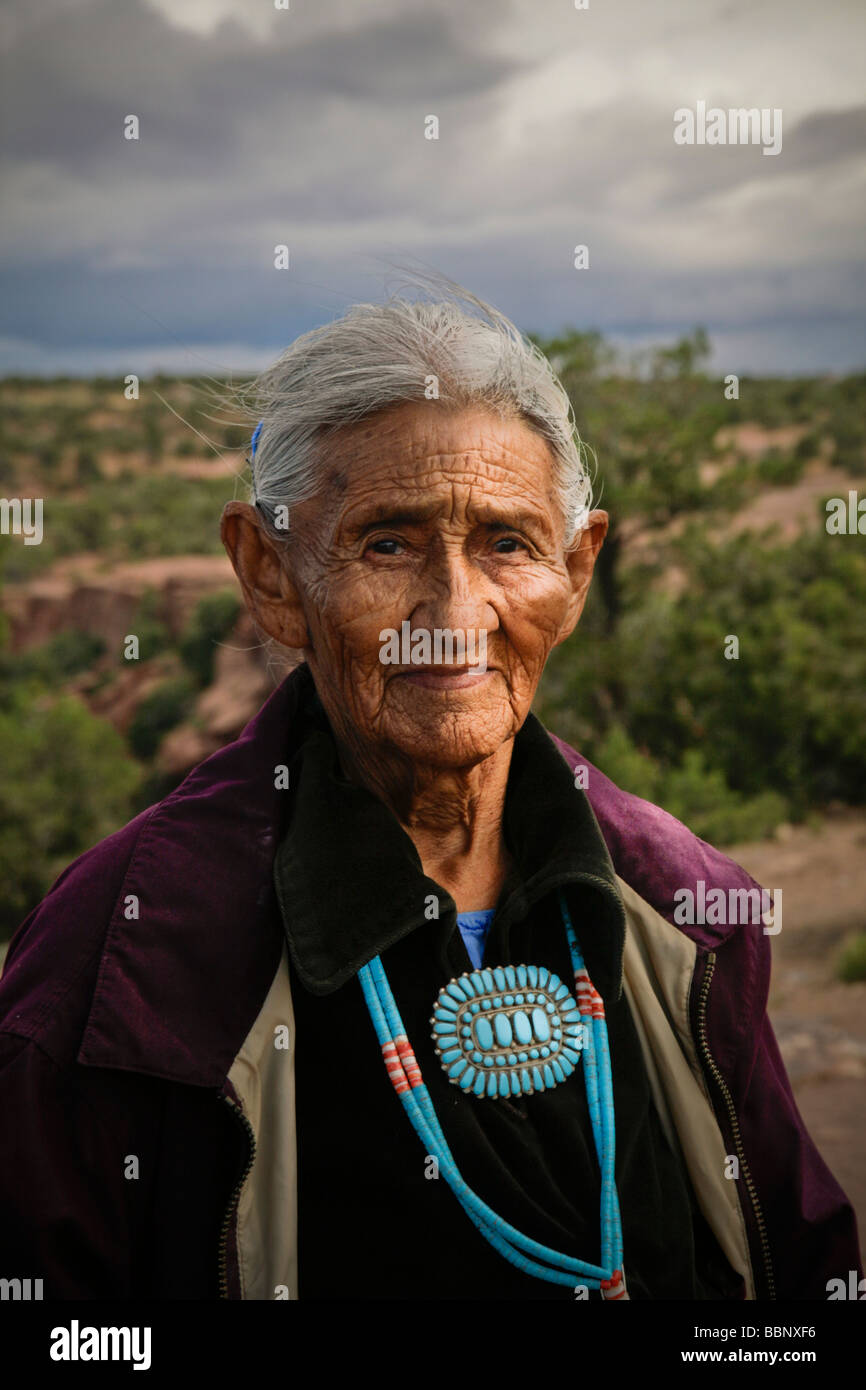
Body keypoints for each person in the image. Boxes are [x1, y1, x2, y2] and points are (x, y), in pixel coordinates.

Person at [0, 279, 860, 1300]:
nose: (453, 612)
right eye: (388, 543)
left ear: (576, 571)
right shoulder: (130, 955)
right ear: (270, 572)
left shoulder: (683, 907)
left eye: (506, 543)